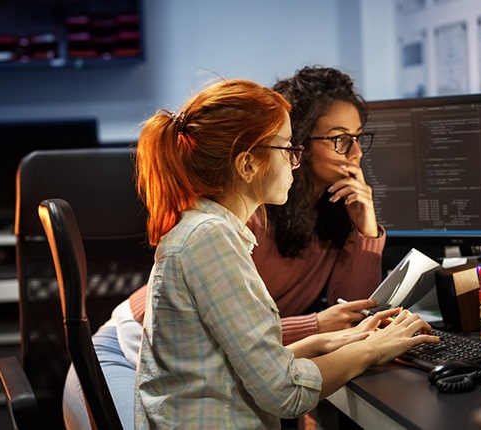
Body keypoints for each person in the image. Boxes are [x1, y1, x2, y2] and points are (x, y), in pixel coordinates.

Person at [62, 66, 389, 429]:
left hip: (203, 373)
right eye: (340, 139)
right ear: (250, 163)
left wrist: (365, 231)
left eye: (360, 137)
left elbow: (350, 310)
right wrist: (323, 331)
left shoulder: (306, 214)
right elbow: (257, 359)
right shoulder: (229, 225)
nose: (356, 153)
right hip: (126, 351)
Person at [131, 77, 438, 428]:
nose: (296, 160)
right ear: (247, 166)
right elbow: (284, 391)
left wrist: (343, 338)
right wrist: (374, 349)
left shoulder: (211, 231)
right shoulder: (211, 240)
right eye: (288, 148)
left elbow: (234, 362)